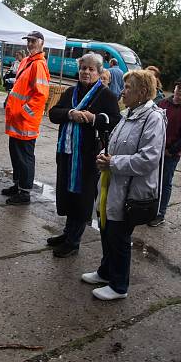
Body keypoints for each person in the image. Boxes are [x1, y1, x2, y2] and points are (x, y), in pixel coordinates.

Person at [81, 70, 165, 300]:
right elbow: (114, 144)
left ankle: (119, 286)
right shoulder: (128, 113)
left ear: (143, 92)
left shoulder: (153, 118)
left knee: (119, 236)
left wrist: (113, 163)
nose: (122, 91)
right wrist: (103, 155)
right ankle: (106, 272)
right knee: (107, 230)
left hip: (130, 190)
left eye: (128, 87)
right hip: (113, 184)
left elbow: (149, 159)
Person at [48, 53, 120, 258]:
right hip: (67, 152)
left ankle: (73, 242)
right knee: (68, 193)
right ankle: (67, 233)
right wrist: (69, 114)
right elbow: (54, 113)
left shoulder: (106, 96)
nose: (86, 72)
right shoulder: (70, 91)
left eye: (91, 69)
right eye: (83, 68)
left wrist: (93, 118)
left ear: (98, 72)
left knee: (81, 197)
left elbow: (115, 120)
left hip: (88, 156)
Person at [2, 31, 51, 205]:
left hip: (25, 122)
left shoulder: (38, 65)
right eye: (28, 41)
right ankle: (18, 185)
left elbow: (40, 96)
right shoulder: (27, 61)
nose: (30, 44)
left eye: (33, 41)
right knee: (16, 155)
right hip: (16, 120)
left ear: (41, 43)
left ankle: (25, 193)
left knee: (24, 157)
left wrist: (23, 113)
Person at [151, 76, 181, 226]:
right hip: (153, 151)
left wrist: (171, 150)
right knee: (150, 182)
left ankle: (159, 214)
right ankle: (148, 209)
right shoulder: (162, 103)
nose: (180, 91)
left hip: (169, 155)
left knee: (164, 184)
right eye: (178, 87)